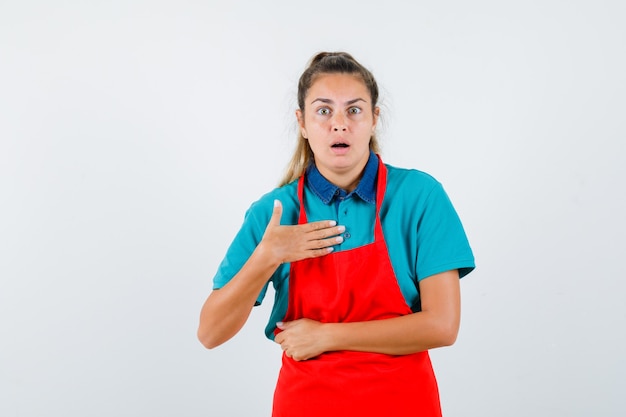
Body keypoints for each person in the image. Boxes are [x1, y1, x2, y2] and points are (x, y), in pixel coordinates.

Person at [197, 51, 475, 417]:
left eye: (354, 110)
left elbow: (442, 326)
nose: (339, 124)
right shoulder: (275, 213)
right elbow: (210, 333)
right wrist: (267, 256)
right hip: (306, 404)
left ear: (375, 118)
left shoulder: (418, 196)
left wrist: (327, 336)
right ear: (302, 122)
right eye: (324, 111)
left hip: (403, 403)